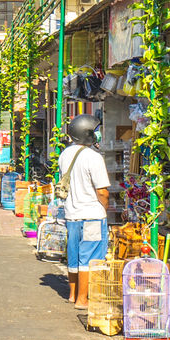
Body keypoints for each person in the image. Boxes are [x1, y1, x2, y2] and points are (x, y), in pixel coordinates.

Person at [56, 114, 110, 307]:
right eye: (95, 131)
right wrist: (105, 209)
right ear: (87, 133)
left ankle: (72, 294)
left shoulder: (65, 154)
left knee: (74, 254)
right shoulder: (93, 158)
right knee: (89, 257)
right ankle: (82, 299)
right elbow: (102, 191)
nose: (98, 135)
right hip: (92, 215)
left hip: (72, 214)